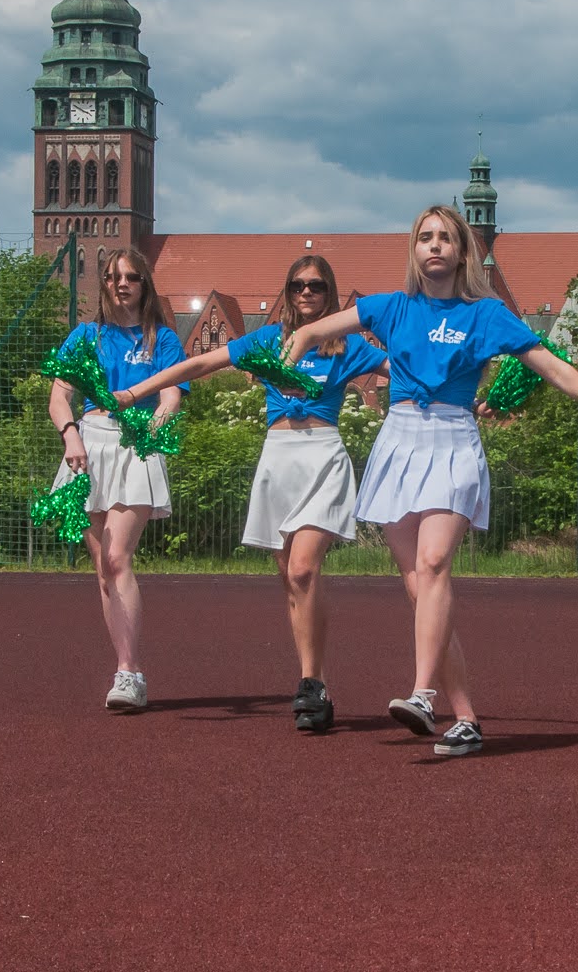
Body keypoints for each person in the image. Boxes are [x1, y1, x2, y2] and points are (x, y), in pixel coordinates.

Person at [281, 205, 578, 757]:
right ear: (414, 250)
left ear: (462, 252)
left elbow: (550, 365)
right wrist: (285, 372)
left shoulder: (487, 314)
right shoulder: (391, 307)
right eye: (424, 238)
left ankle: (422, 695)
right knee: (421, 590)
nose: (434, 246)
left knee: (434, 565)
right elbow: (311, 330)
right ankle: (467, 719)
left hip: (454, 441)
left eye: (444, 239)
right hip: (399, 441)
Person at [120, 254, 387, 733]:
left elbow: (406, 370)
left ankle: (310, 681)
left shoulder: (345, 346)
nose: (307, 293)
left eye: (317, 286)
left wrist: (467, 393)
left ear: (329, 293)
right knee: (290, 575)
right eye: (298, 285)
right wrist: (139, 391)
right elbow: (201, 361)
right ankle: (317, 683)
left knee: (305, 566)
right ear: (287, 292)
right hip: (277, 456)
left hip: (323, 455)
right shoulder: (267, 341)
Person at [47, 247, 185, 713]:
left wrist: (157, 423)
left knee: (116, 556)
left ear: (145, 285)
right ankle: (126, 670)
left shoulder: (162, 339)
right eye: (112, 277)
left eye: (130, 277)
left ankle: (128, 672)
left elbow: (171, 396)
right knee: (103, 569)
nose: (120, 283)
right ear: (104, 284)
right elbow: (59, 398)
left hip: (135, 445)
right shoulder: (85, 336)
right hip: (88, 445)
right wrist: (70, 437)